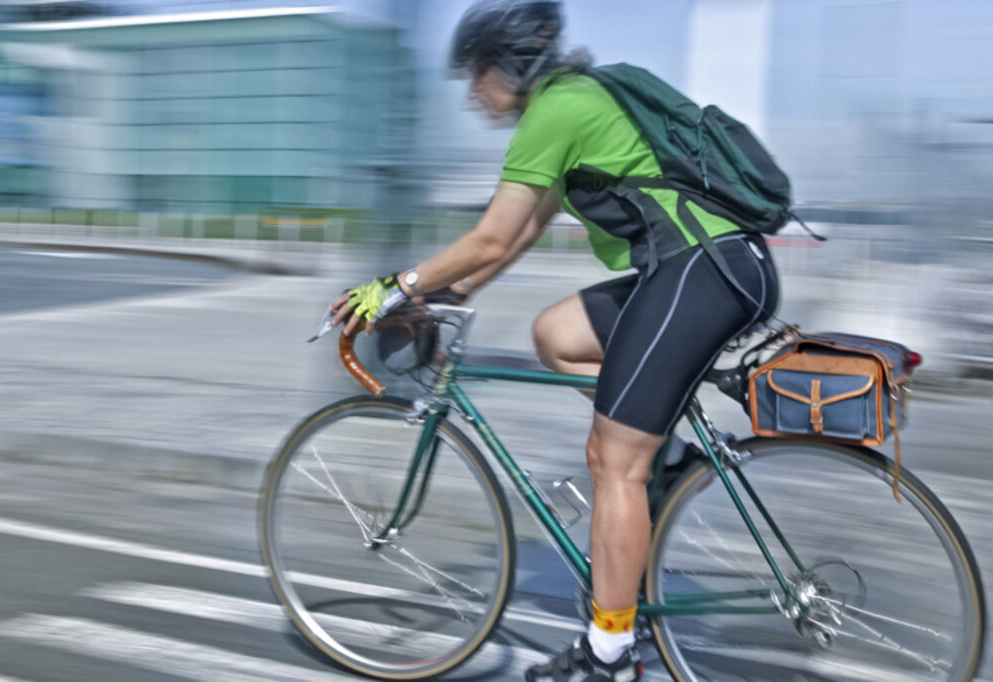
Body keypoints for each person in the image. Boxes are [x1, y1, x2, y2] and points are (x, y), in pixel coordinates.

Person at [328, 1, 781, 679]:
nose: (472, 92)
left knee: (612, 462)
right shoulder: (572, 102)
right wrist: (447, 295)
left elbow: (489, 234)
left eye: (477, 74)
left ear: (511, 67)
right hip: (707, 270)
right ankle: (675, 459)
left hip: (703, 273)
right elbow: (520, 233)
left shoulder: (555, 112)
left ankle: (609, 654)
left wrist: (390, 287)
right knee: (558, 335)